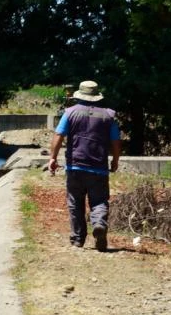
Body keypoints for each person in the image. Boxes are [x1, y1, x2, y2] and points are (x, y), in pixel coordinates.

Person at [46, 80, 122, 251]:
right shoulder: (108, 115)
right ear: (96, 96)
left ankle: (78, 239)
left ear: (79, 95)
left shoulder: (70, 113)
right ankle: (99, 224)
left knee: (75, 202)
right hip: (99, 167)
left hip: (75, 166)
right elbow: (116, 141)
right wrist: (115, 160)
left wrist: (53, 158)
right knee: (100, 201)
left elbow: (59, 135)